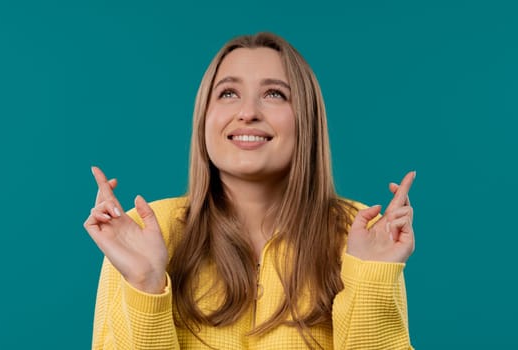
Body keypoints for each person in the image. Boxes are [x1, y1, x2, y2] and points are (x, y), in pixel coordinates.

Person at [84, 32, 416, 350]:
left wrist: (372, 281)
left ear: (307, 119)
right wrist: (145, 283)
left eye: (275, 94)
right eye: (228, 93)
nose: (248, 113)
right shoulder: (143, 232)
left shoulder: (362, 234)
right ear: (204, 118)